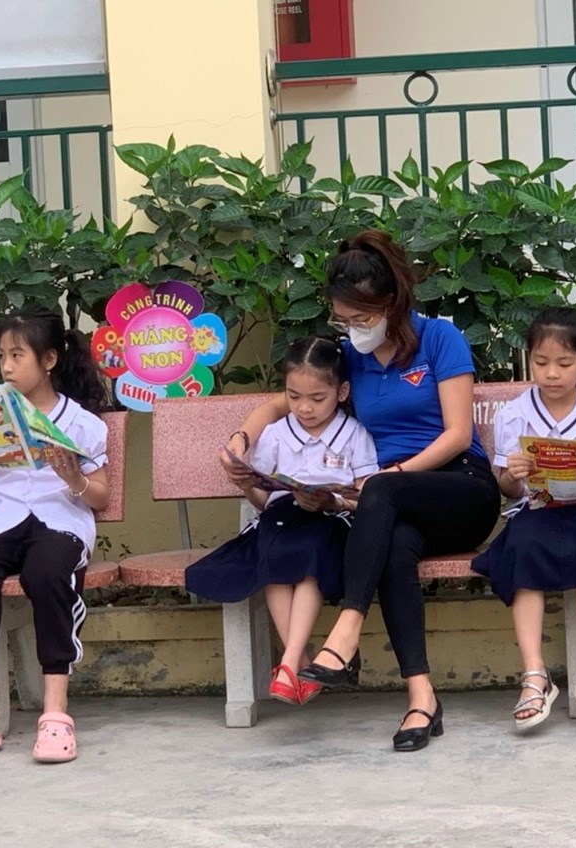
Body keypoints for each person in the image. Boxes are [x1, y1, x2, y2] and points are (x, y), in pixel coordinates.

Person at [221, 230, 501, 752]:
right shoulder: (353, 356)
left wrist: (391, 477)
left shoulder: (441, 340)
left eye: (360, 317)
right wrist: (242, 440)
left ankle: (346, 633)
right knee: (393, 547)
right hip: (391, 505)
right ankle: (422, 698)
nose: (352, 329)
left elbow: (458, 434)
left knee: (382, 494)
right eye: (343, 320)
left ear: (392, 302)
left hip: (460, 489)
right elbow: (282, 403)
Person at [0, 306, 112, 766]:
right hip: (4, 519)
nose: (7, 367)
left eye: (17, 355)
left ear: (49, 360)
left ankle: (55, 712)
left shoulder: (84, 424)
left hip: (61, 521)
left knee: (48, 574)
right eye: (1, 356)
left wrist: (74, 477)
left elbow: (99, 496)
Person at [187, 337, 378, 705]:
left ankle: (289, 662)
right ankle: (297, 663)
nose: (304, 407)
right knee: (272, 553)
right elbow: (263, 502)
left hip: (330, 522)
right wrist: (247, 485)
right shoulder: (275, 434)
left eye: (317, 398)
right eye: (293, 396)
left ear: (341, 392)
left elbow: (365, 498)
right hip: (279, 520)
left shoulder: (355, 435)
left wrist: (331, 501)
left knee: (310, 554)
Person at [470, 307, 576, 729]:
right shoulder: (513, 415)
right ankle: (535, 675)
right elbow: (509, 490)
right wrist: (512, 475)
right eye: (541, 363)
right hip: (538, 511)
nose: (552, 373)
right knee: (523, 549)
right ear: (529, 359)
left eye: (564, 363)